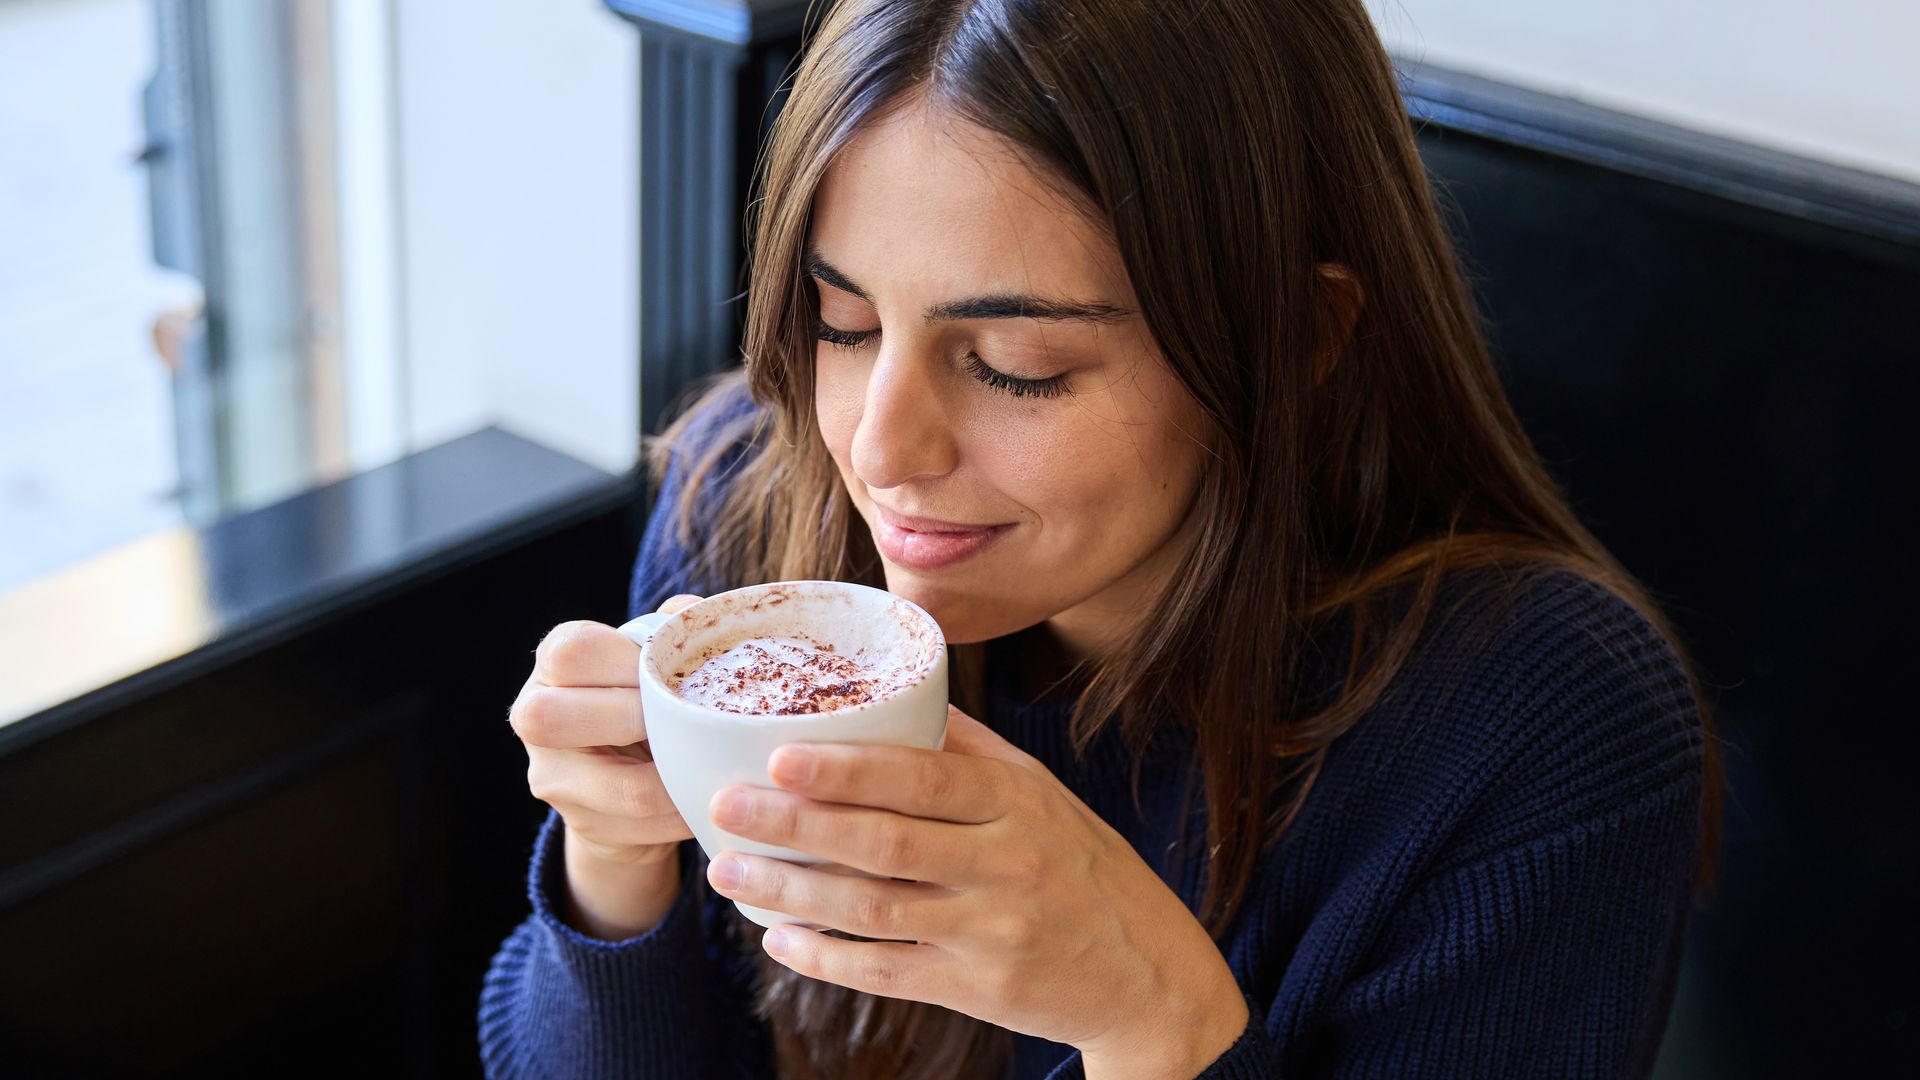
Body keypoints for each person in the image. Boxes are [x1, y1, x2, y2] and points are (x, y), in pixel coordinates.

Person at [479, 0, 1718, 1076]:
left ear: (1296, 341)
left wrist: (1153, 1020)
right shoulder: (750, 497)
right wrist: (612, 868)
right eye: (840, 323)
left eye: (1017, 366)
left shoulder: (1542, 728)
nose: (877, 449)